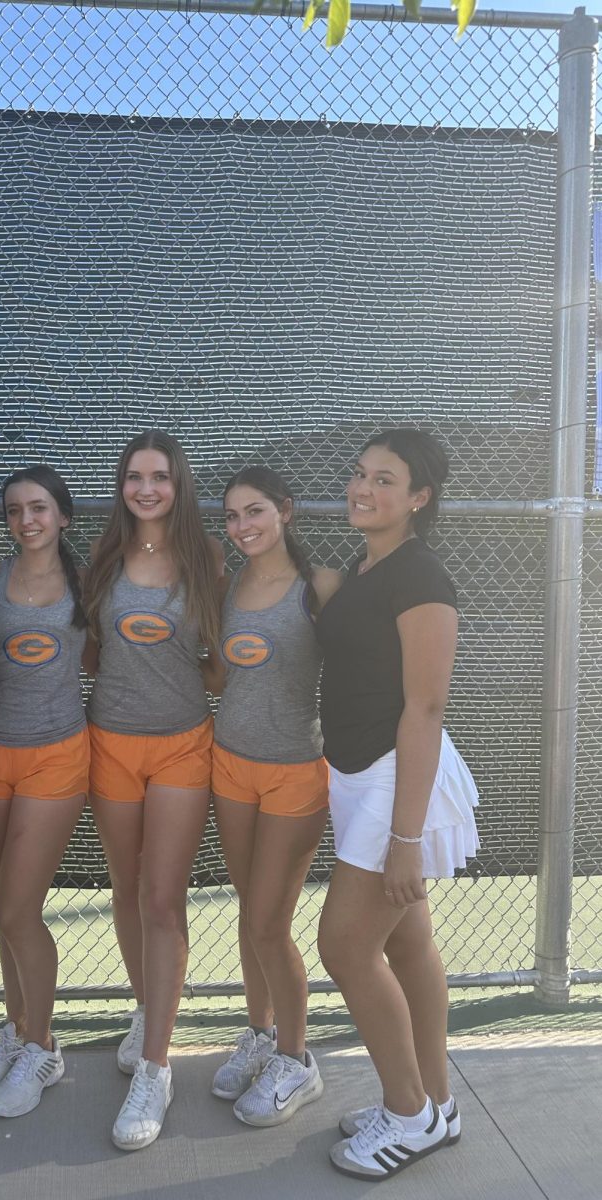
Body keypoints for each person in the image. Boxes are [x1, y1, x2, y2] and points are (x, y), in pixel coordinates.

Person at [315, 428, 479, 1182]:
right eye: (359, 475)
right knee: (407, 944)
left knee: (346, 947)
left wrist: (406, 838)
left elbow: (426, 711)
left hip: (394, 782)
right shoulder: (367, 561)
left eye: (385, 480)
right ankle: (437, 1107)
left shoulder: (423, 577)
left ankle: (407, 1114)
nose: (363, 488)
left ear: (419, 498)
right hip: (355, 776)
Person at [82, 429, 222, 1151]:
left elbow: (222, 662)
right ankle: (149, 1009)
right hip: (110, 743)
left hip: (181, 748)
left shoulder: (205, 562)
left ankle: (157, 1068)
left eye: (159, 477)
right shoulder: (103, 561)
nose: (146, 488)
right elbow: (89, 650)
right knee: (127, 889)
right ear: (121, 483)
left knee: (164, 900)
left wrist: (176, 687)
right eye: (134, 475)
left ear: (179, 484)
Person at [208, 466, 341, 1126]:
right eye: (232, 517)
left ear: (285, 511)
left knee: (268, 920)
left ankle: (298, 1059)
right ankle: (260, 1038)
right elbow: (221, 668)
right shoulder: (229, 582)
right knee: (247, 910)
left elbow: (361, 675)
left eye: (254, 512)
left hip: (295, 772)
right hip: (229, 765)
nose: (242, 527)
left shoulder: (322, 587)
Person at [0, 466, 88, 1118]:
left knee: (19, 910)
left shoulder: (90, 583)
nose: (26, 520)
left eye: (38, 508)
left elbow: (98, 657)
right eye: (13, 510)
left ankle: (43, 1046)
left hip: (58, 757)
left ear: (63, 516)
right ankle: (16, 1031)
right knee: (2, 905)